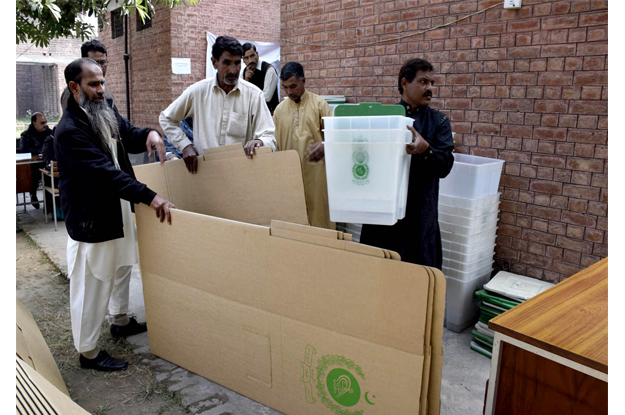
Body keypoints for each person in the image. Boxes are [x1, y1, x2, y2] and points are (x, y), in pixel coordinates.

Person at [55, 58, 176, 372]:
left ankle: (120, 320)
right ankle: (89, 352)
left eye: (102, 81)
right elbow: (104, 173)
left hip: (118, 206)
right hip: (92, 216)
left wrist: (149, 134)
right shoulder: (68, 131)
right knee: (92, 282)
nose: (101, 89)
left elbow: (127, 134)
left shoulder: (102, 107)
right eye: (93, 84)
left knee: (123, 265)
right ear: (74, 86)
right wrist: (150, 197)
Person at [359, 58, 454, 269]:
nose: (429, 88)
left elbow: (445, 166)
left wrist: (426, 149)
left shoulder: (439, 122)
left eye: (432, 83)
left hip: (420, 218)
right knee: (380, 277)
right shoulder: (384, 119)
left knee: (417, 281)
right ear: (405, 83)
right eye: (423, 82)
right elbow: (361, 154)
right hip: (384, 218)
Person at [159, 36, 276, 173]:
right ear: (214, 62)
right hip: (205, 175)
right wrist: (185, 146)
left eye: (237, 63)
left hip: (241, 176)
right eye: (227, 63)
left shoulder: (254, 95)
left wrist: (260, 142)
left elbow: (269, 136)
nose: (233, 70)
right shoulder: (198, 92)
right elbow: (166, 119)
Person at [273, 62, 334, 229]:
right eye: (285, 87)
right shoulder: (279, 110)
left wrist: (326, 143)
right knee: (293, 219)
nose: (289, 92)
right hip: (290, 175)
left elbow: (336, 137)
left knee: (319, 217)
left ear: (303, 81)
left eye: (293, 86)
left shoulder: (320, 105)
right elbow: (275, 145)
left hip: (317, 175)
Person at [61, 39, 115, 111]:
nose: (99, 67)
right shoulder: (71, 93)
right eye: (94, 62)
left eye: (103, 62)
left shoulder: (104, 89)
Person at [20, 112, 52, 209]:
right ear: (34, 123)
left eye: (46, 122)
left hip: (47, 162)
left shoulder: (49, 132)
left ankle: (50, 203)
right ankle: (32, 194)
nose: (45, 125)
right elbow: (24, 149)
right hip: (34, 164)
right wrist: (41, 150)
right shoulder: (26, 135)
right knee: (34, 173)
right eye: (42, 123)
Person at [242, 43, 279, 114]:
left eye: (252, 56)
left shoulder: (268, 69)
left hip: (269, 116)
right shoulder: (244, 72)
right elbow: (241, 96)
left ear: (257, 54)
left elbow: (266, 97)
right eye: (246, 58)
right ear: (243, 60)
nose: (250, 60)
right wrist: (246, 81)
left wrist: (248, 98)